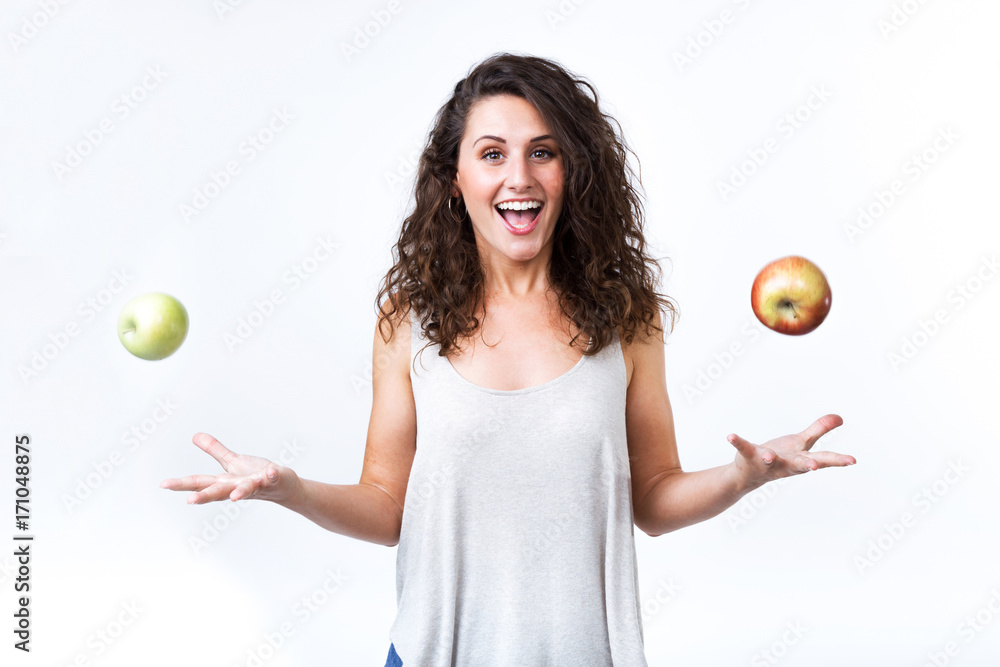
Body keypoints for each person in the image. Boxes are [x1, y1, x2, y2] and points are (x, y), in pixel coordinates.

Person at [160, 52, 856, 666]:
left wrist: (743, 475)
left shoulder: (627, 319)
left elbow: (652, 499)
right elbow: (384, 506)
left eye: (543, 151)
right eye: (492, 153)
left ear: (572, 172)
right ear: (455, 178)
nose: (518, 176)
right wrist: (292, 489)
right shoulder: (410, 321)